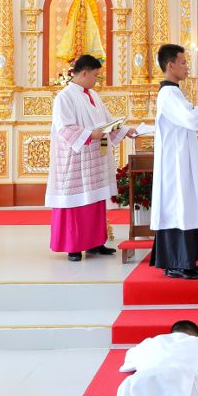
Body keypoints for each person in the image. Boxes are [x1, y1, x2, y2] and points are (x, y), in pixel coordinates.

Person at [45, 54, 142, 261]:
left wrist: (125, 130)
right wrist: (91, 135)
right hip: (76, 160)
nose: (96, 80)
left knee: (95, 200)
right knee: (77, 203)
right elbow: (65, 128)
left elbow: (107, 121)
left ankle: (95, 243)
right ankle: (74, 246)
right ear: (84, 73)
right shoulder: (65, 97)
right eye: (95, 75)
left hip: (95, 156)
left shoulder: (93, 95)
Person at [150, 44, 198, 280]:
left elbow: (189, 116)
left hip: (180, 157)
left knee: (185, 205)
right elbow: (192, 118)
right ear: (170, 65)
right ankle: (176, 262)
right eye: (183, 62)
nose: (187, 67)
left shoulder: (174, 92)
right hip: (175, 162)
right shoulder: (169, 93)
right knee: (178, 207)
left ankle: (184, 260)